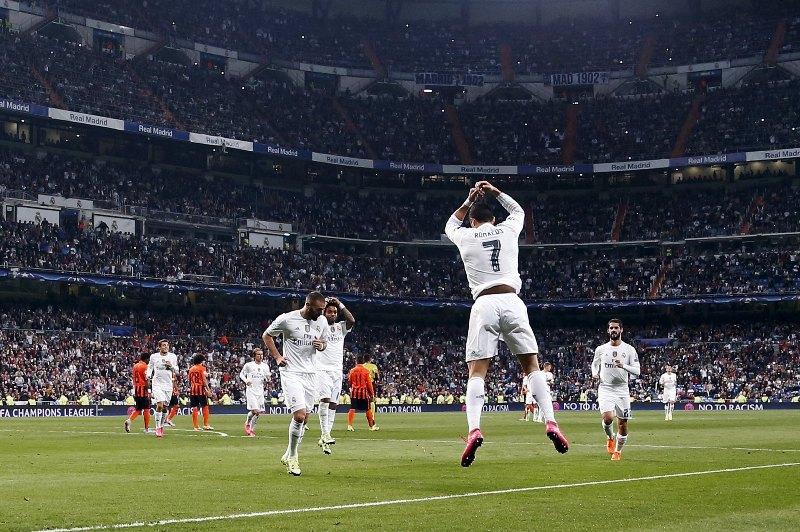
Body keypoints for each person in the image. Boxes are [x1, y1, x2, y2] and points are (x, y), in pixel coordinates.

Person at [444, 180, 568, 467]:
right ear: (494, 219)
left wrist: (468, 199)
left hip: (484, 303)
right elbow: (519, 210)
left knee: (477, 372)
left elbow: (451, 224)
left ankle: (474, 429)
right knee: (531, 366)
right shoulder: (509, 229)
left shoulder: (465, 236)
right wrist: (495, 192)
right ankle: (551, 422)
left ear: (474, 221)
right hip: (513, 300)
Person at [263, 291, 330, 476]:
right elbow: (267, 335)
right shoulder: (287, 319)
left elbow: (324, 343)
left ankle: (287, 454)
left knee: (305, 418)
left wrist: (322, 346)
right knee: (299, 416)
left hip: (311, 373)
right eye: (319, 309)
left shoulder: (322, 321)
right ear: (308, 305)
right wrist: (277, 357)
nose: (321, 313)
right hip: (291, 372)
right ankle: (293, 457)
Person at [591, 318, 640, 461]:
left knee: (623, 424)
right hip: (605, 388)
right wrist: (595, 373)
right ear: (608, 330)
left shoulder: (629, 349)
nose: (613, 330)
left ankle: (617, 451)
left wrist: (624, 366)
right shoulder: (601, 349)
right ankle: (610, 437)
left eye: (616, 328)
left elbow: (637, 371)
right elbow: (594, 365)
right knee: (608, 418)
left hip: (622, 389)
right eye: (611, 328)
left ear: (621, 330)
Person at [316, 296, 356, 454]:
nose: (332, 314)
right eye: (329, 312)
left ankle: (325, 436)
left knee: (333, 404)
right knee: (325, 401)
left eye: (334, 312)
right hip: (322, 369)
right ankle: (325, 433)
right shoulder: (319, 326)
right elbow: (317, 316)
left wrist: (339, 303)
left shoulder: (341, 327)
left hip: (337, 371)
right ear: (325, 313)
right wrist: (324, 305)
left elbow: (352, 320)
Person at [146, 339, 179, 438]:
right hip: (157, 384)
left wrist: (171, 366)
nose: (166, 347)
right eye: (163, 345)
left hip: (168, 385)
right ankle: (158, 428)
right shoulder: (154, 356)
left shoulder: (172, 356)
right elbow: (150, 367)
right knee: (159, 405)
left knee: (165, 408)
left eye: (167, 345)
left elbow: (177, 370)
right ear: (159, 347)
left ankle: (162, 425)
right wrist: (148, 375)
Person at [239, 348, 271, 436]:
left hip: (260, 392)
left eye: (262, 354)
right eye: (258, 354)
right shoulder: (249, 365)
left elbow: (268, 377)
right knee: (255, 411)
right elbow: (241, 374)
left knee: (258, 413)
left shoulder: (265, 366)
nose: (261, 356)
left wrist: (268, 378)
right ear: (254, 356)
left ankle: (251, 430)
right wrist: (246, 381)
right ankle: (247, 423)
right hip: (251, 391)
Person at [347, 355, 377, 431]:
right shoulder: (366, 371)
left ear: (356, 362)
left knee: (352, 408)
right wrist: (372, 393)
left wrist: (352, 387)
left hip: (354, 392)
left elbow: (350, 381)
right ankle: (371, 426)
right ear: (363, 362)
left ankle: (349, 426)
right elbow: (369, 384)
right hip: (363, 392)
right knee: (367, 409)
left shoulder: (352, 370)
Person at [124, 353, 151, 433]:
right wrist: (149, 391)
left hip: (137, 389)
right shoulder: (145, 366)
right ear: (146, 359)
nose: (149, 361)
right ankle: (146, 428)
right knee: (146, 409)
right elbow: (147, 379)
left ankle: (129, 420)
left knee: (139, 408)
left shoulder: (135, 366)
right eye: (148, 359)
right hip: (143, 389)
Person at [188, 353, 214, 431]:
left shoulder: (191, 369)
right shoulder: (202, 368)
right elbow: (204, 379)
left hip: (192, 389)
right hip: (200, 389)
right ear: (201, 361)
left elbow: (189, 380)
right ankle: (205, 425)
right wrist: (208, 389)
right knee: (205, 406)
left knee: (194, 408)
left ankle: (196, 426)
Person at [362, 353, 380, 423]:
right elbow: (376, 374)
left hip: (362, 384)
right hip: (370, 384)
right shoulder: (373, 366)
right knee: (371, 400)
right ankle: (372, 417)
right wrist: (376, 379)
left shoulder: (362, 366)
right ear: (370, 359)